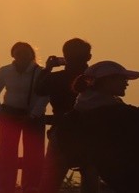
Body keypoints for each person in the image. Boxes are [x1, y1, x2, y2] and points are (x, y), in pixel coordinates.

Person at [57, 61, 139, 193]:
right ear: (107, 82)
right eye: (122, 79)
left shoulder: (81, 109)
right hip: (127, 172)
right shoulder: (114, 112)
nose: (126, 83)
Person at [35, 38, 99, 193]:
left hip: (61, 131)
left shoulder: (55, 78)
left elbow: (38, 89)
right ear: (88, 57)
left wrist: (47, 68)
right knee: (90, 179)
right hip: (90, 132)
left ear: (65, 56)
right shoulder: (96, 80)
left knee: (50, 181)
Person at [0, 42, 48, 193]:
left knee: (34, 153)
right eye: (18, 52)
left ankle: (31, 187)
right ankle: (3, 187)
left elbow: (45, 95)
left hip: (33, 117)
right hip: (10, 114)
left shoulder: (40, 72)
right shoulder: (5, 71)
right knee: (6, 153)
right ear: (13, 55)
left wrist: (34, 114)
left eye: (24, 52)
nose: (21, 55)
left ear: (31, 54)